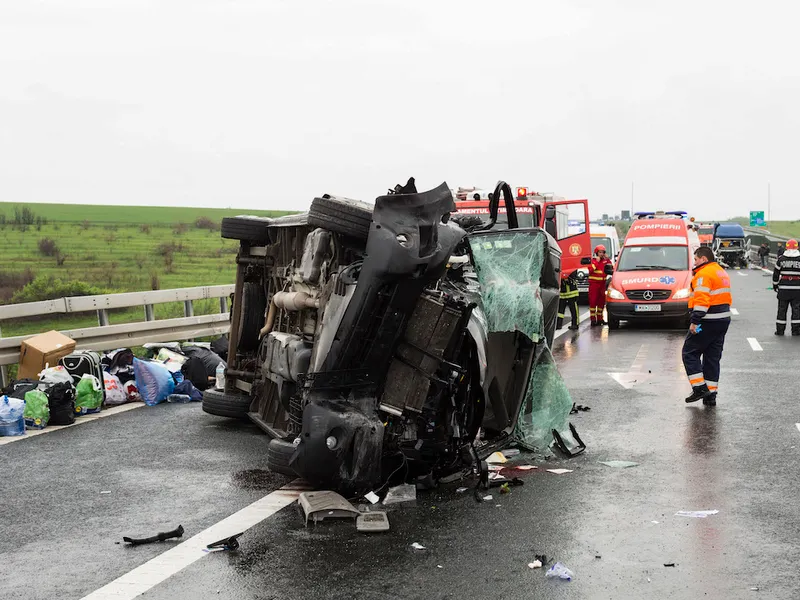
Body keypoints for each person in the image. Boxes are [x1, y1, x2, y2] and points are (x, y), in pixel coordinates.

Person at [682, 246, 732, 407]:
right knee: (712, 357)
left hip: (707, 320)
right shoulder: (720, 271)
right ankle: (711, 395)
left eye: (696, 259)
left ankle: (699, 388)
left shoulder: (703, 275)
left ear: (703, 259)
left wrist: (695, 321)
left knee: (689, 352)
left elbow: (702, 301)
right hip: (722, 320)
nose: (694, 262)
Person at [772, 238, 800, 336]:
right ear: (797, 247)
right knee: (796, 310)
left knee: (782, 310)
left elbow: (775, 274)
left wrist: (775, 285)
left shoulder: (781, 259)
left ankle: (780, 330)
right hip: (797, 289)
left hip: (783, 289)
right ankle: (796, 331)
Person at [588, 244, 612, 326]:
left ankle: (600, 319)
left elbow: (611, 267)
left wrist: (607, 258)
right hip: (594, 285)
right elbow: (590, 270)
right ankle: (593, 320)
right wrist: (597, 262)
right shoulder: (593, 261)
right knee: (593, 302)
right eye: (600, 252)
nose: (601, 254)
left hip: (602, 284)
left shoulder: (605, 261)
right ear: (596, 253)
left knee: (601, 302)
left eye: (602, 252)